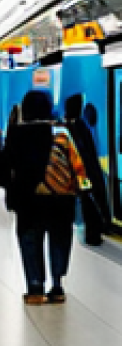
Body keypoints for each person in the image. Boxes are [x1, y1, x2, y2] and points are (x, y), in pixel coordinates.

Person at [3, 89, 90, 304]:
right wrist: (84, 189)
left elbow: (4, 166)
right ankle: (57, 285)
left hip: (28, 198)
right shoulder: (62, 133)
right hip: (61, 198)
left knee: (30, 239)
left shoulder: (17, 134)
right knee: (59, 239)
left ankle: (35, 288)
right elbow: (77, 165)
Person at [64, 94, 109, 246]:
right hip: (85, 172)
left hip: (80, 172)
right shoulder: (79, 126)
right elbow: (85, 153)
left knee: (87, 202)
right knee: (91, 202)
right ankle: (94, 233)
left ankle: (94, 231)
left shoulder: (67, 126)